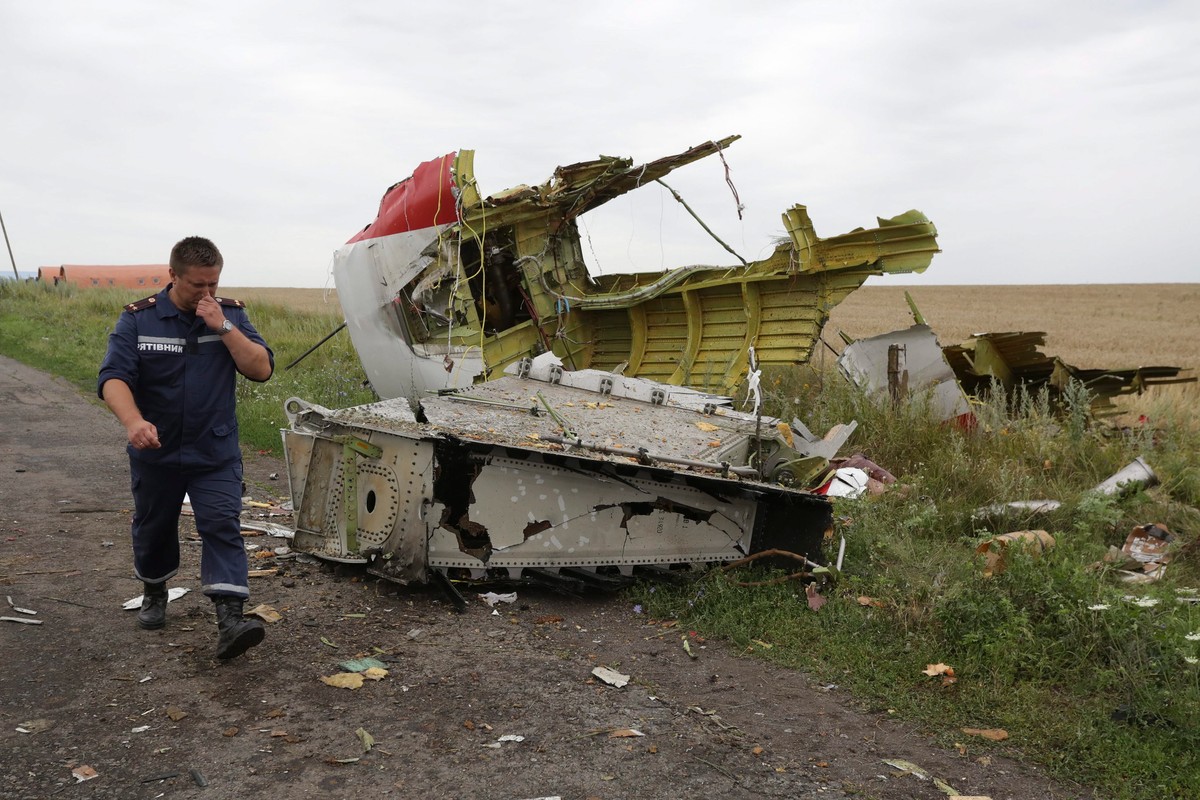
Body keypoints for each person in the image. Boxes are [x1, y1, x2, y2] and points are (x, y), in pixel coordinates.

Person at [98, 236, 274, 660]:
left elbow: (261, 369)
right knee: (154, 527)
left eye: (213, 283)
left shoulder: (230, 315)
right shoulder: (139, 319)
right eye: (198, 285)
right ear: (172, 275)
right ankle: (155, 590)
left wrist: (223, 327)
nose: (207, 293)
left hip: (213, 452)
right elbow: (113, 378)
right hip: (155, 451)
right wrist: (133, 421)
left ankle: (230, 620)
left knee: (221, 524)